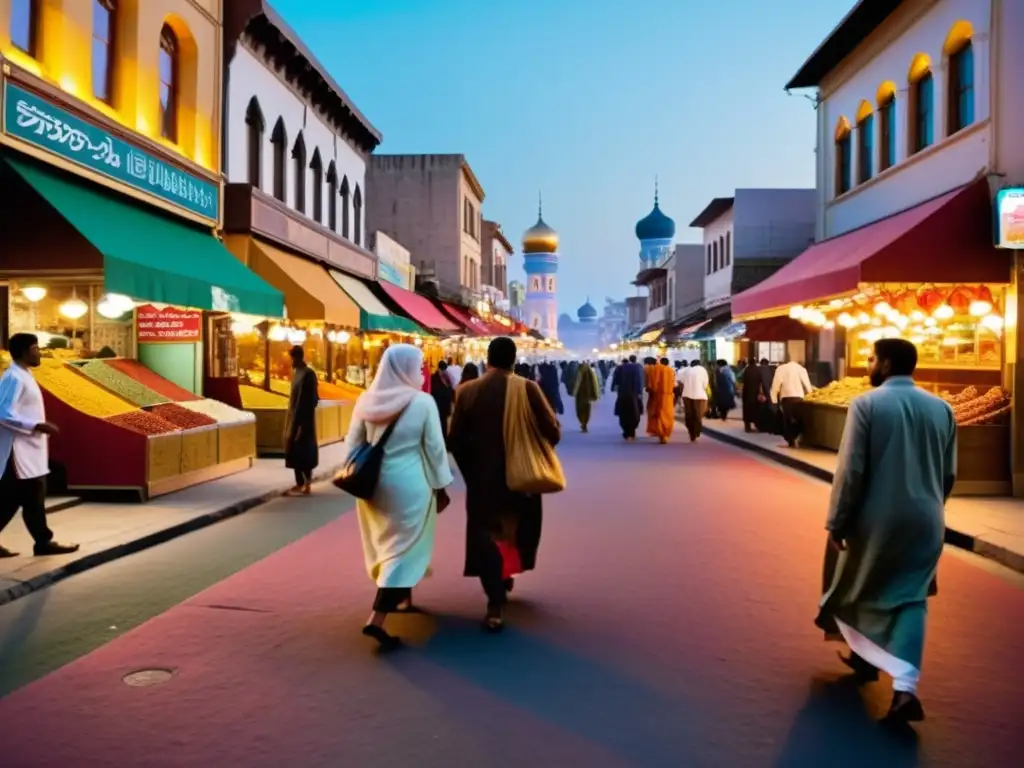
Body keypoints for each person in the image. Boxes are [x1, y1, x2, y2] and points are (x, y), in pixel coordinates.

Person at [816, 339, 954, 724]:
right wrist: (931, 507)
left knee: (855, 582)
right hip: (928, 517)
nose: (869, 364)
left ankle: (866, 653)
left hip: (877, 518)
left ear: (887, 363)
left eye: (873, 358)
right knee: (912, 598)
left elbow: (851, 471)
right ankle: (904, 689)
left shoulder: (867, 404)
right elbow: (949, 473)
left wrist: (838, 520)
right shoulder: (943, 408)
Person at [448, 337, 561, 631]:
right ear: (513, 361)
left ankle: (495, 599)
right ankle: (500, 590)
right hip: (519, 479)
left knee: (487, 536)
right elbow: (553, 431)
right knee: (514, 531)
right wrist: (530, 448)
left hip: (483, 480)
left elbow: (455, 440)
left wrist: (471, 472)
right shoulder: (527, 388)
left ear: (488, 360)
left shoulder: (467, 391)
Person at [346, 344, 453, 649]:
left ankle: (403, 597)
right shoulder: (422, 403)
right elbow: (434, 449)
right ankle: (377, 619)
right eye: (418, 366)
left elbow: (353, 444)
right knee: (403, 547)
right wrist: (441, 485)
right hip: (410, 485)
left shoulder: (365, 399)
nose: (421, 372)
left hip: (373, 486)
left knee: (388, 544)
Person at [0, 333, 79, 558]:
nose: (39, 352)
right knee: (15, 498)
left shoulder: (25, 375)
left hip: (30, 449)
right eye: (35, 348)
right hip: (17, 451)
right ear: (24, 352)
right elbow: (3, 413)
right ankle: (43, 541)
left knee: (29, 498)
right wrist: (36, 425)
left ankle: (43, 542)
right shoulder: (13, 378)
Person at [284, 345, 319, 496]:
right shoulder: (297, 373)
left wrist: (302, 424)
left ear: (297, 358)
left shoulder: (308, 374)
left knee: (304, 450)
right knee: (293, 450)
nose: (290, 362)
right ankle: (299, 483)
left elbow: (311, 399)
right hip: (293, 418)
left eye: (291, 358)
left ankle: (307, 483)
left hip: (304, 420)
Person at [770, 356, 814, 447]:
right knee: (798, 419)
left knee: (788, 420)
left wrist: (774, 400)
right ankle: (796, 437)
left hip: (786, 398)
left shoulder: (780, 369)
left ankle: (790, 440)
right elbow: (807, 385)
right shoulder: (801, 369)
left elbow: (775, 385)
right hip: (798, 398)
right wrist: (811, 395)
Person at [612, 355, 644, 441]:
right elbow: (640, 380)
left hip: (622, 393)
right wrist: (640, 392)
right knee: (634, 413)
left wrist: (613, 388)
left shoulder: (620, 368)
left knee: (623, 413)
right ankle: (632, 432)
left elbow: (615, 380)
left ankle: (626, 432)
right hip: (634, 394)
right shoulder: (638, 368)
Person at [645, 357, 676, 444]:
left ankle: (660, 434)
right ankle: (665, 434)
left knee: (658, 415)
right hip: (668, 396)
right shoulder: (671, 371)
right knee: (667, 415)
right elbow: (674, 384)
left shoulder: (654, 370)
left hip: (656, 396)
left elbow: (650, 385)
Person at [679, 359, 709, 442]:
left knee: (689, 415)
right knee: (698, 415)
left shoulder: (686, 371)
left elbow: (681, 382)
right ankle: (697, 431)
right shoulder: (702, 370)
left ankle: (691, 433)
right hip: (699, 395)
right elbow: (705, 384)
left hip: (686, 395)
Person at [572, 360, 600, 432]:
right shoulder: (591, 372)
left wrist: (574, 392)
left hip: (580, 395)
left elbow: (576, 382)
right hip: (588, 394)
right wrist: (595, 394)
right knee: (587, 410)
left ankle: (583, 423)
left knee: (579, 410)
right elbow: (595, 383)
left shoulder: (578, 371)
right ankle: (585, 423)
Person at [741, 358, 768, 432]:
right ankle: (758, 426)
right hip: (756, 394)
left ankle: (747, 427)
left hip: (746, 394)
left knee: (747, 411)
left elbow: (742, 381)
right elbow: (761, 382)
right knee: (756, 411)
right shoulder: (758, 370)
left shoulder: (746, 370)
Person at [430, 360, 454, 441]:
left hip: (444, 404)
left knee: (443, 422)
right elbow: (434, 391)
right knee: (438, 422)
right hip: (438, 404)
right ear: (439, 369)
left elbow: (450, 388)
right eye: (442, 370)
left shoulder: (446, 377)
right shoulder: (433, 378)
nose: (443, 372)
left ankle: (444, 438)